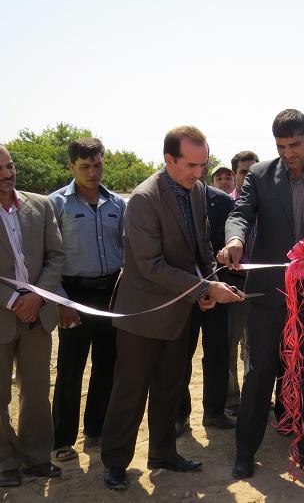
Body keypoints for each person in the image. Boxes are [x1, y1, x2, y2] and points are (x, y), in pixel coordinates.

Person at [100, 126, 243, 490]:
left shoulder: (195, 191)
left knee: (171, 386)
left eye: (203, 164)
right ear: (169, 159)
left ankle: (163, 453)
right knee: (130, 391)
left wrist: (207, 281)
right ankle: (115, 462)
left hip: (179, 309)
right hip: (143, 315)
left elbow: (201, 246)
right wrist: (204, 287)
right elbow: (150, 265)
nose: (199, 172)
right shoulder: (144, 199)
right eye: (191, 165)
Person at [219, 109, 304, 479]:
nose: (288, 153)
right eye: (280, 146)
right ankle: (245, 451)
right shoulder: (260, 175)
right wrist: (235, 240)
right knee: (260, 371)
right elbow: (241, 213)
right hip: (268, 294)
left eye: (294, 145)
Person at [49, 138, 125, 462]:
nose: (93, 172)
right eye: (85, 167)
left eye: (97, 165)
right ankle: (62, 440)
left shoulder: (117, 204)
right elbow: (49, 257)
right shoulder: (56, 204)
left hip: (110, 293)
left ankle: (96, 430)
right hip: (73, 295)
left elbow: (126, 248)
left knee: (107, 364)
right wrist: (61, 301)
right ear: (71, 166)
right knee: (70, 368)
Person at [0, 144, 65, 487]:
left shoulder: (40, 205)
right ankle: (4, 461)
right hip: (3, 315)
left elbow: (56, 257)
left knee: (37, 392)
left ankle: (37, 458)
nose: (7, 174)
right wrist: (13, 300)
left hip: (38, 315)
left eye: (9, 166)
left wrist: (37, 297)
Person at [176, 158, 237, 436]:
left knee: (217, 353)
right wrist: (197, 288)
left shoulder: (222, 202)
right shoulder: (171, 198)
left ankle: (214, 411)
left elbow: (224, 246)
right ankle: (179, 415)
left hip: (217, 289)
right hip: (183, 293)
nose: (196, 170)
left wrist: (212, 286)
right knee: (180, 355)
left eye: (201, 164)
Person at [225, 149, 259, 418]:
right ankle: (231, 400)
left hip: (261, 286)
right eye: (243, 172)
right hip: (233, 286)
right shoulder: (225, 204)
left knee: (255, 346)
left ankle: (252, 398)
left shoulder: (267, 204)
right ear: (235, 174)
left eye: (253, 172)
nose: (248, 177)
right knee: (229, 344)